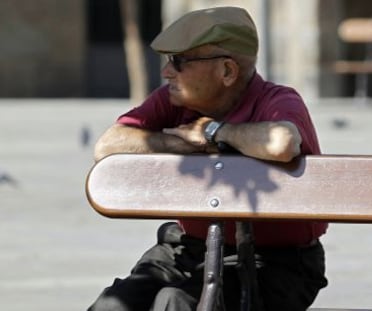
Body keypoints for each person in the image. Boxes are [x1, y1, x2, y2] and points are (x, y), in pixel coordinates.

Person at [88, 6, 328, 311]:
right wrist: (175, 142)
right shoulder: (176, 99)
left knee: (175, 302)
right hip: (188, 248)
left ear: (227, 71)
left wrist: (215, 131)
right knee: (114, 306)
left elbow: (281, 142)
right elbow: (107, 145)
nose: (166, 72)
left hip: (275, 261)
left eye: (179, 61)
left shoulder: (277, 100)